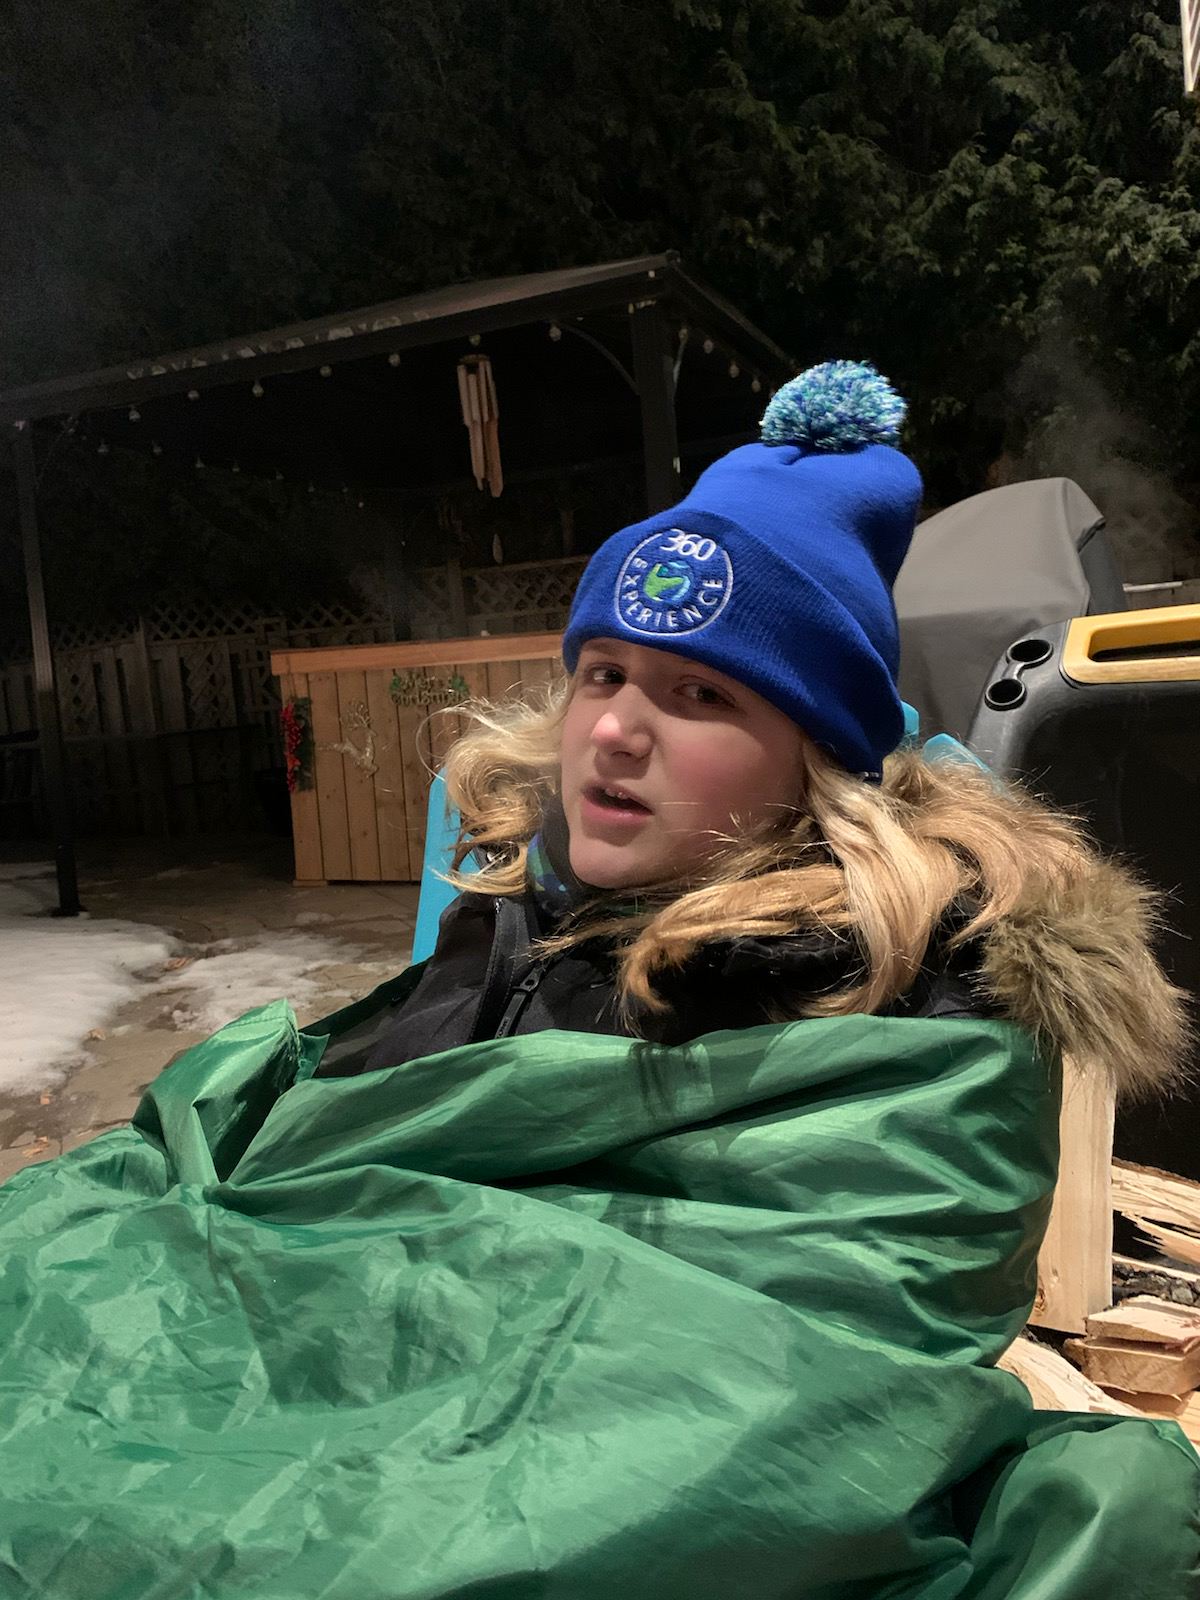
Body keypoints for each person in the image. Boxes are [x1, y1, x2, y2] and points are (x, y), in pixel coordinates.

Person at [0, 363, 1197, 1600]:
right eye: (605, 673)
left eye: (700, 692)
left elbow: (783, 1388)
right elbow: (343, 1193)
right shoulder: (522, 913)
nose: (618, 728)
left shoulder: (907, 995)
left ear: (816, 761)